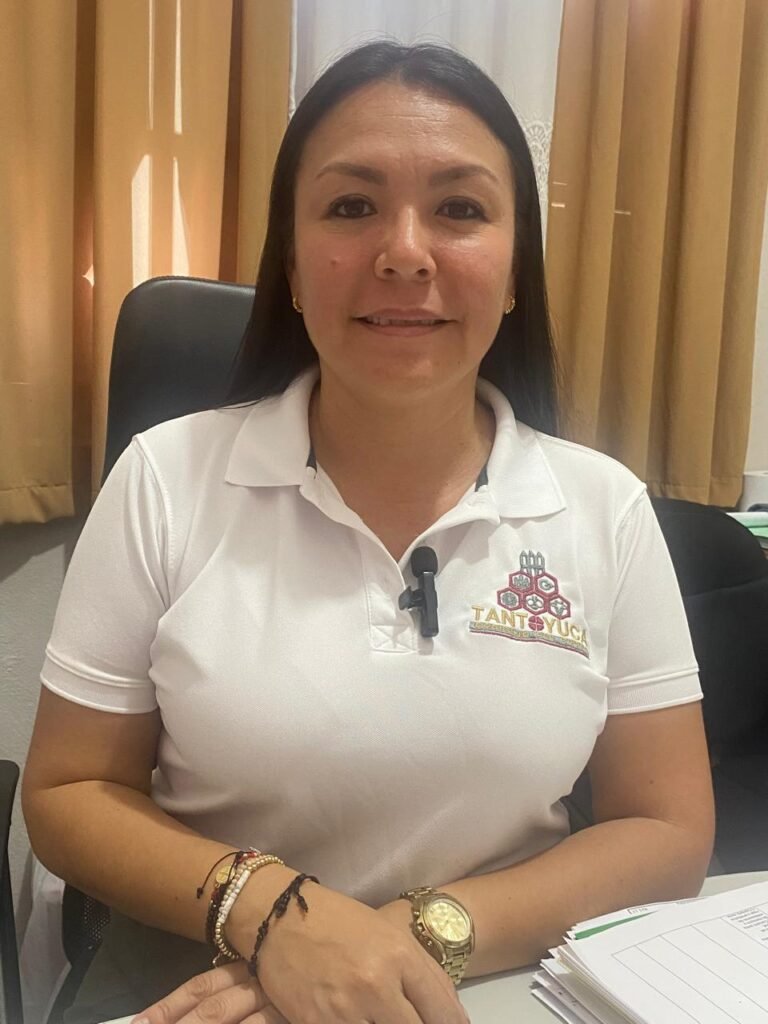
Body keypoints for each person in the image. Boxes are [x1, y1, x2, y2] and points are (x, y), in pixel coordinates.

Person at [22, 41, 714, 1024]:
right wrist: (270, 915)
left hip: (490, 983)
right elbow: (69, 788)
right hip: (203, 986)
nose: (405, 251)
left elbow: (668, 828)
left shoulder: (605, 506)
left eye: (460, 209)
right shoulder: (164, 480)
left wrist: (405, 940)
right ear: (292, 267)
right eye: (351, 206)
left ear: (515, 273)